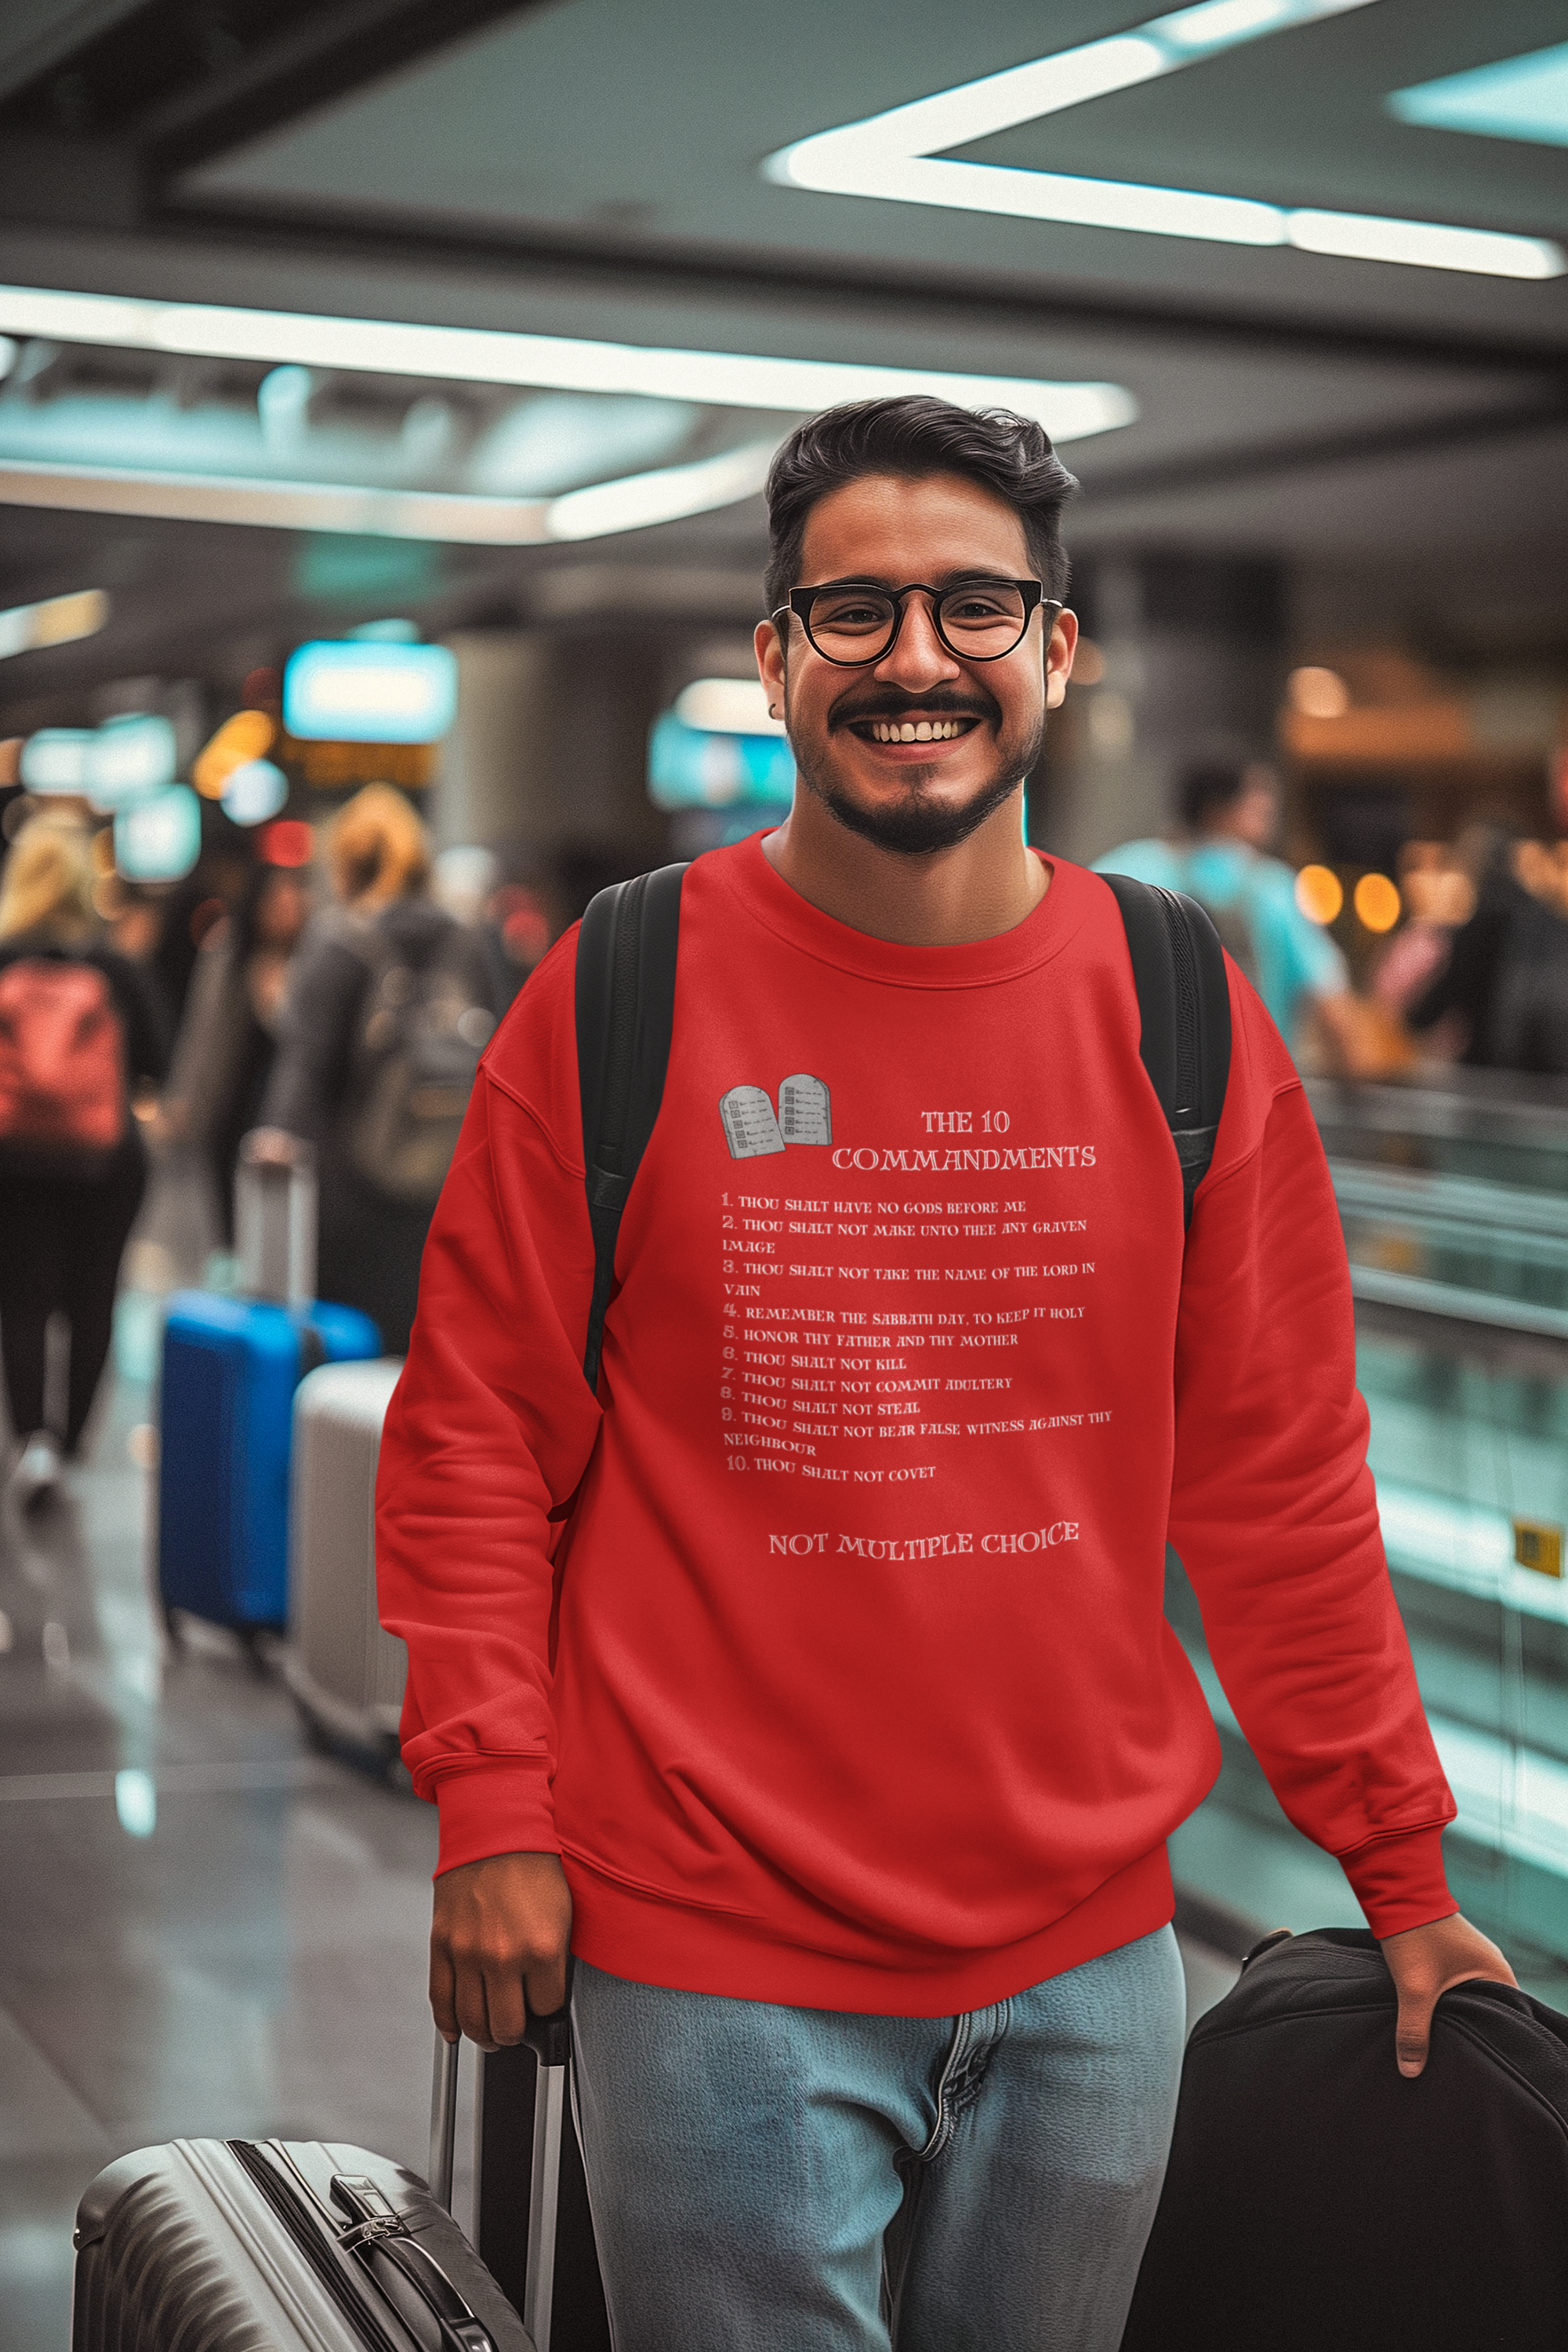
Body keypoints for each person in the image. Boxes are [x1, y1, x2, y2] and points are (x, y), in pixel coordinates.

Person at [376, 397, 1512, 2352]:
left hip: (1092, 1968)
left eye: (975, 608)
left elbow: (1278, 1481)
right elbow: (478, 1429)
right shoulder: (622, 985)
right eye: (856, 610)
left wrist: (1392, 1862)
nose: (916, 657)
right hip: (713, 1952)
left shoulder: (1179, 1010)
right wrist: (491, 1801)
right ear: (773, 657)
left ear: (1056, 653)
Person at [255, 785, 495, 1354]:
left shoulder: (339, 942)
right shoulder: (468, 943)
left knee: (346, 1360)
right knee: (419, 1350)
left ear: (346, 864)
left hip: (350, 1191)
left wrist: (274, 1141)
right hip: (445, 1186)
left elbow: (305, 1070)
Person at [0, 816, 168, 1504]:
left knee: (23, 1299)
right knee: (95, 1296)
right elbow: (158, 1060)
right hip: (105, 1164)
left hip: (13, 1160)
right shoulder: (113, 966)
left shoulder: (5, 958)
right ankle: (69, 1447)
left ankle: (33, 1441)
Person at [1094, 753, 1379, 1069]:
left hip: (1145, 1083)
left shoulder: (1126, 869)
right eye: (1258, 799)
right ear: (1218, 809)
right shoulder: (1273, 888)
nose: (1271, 808)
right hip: (1249, 1091)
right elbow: (1333, 1010)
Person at [162, 855, 310, 1243]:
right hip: (232, 1105)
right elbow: (203, 1029)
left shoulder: (316, 961)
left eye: (294, 898)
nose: (286, 909)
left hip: (288, 1111)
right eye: (277, 900)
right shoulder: (229, 952)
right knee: (231, 1215)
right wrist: (183, 1098)